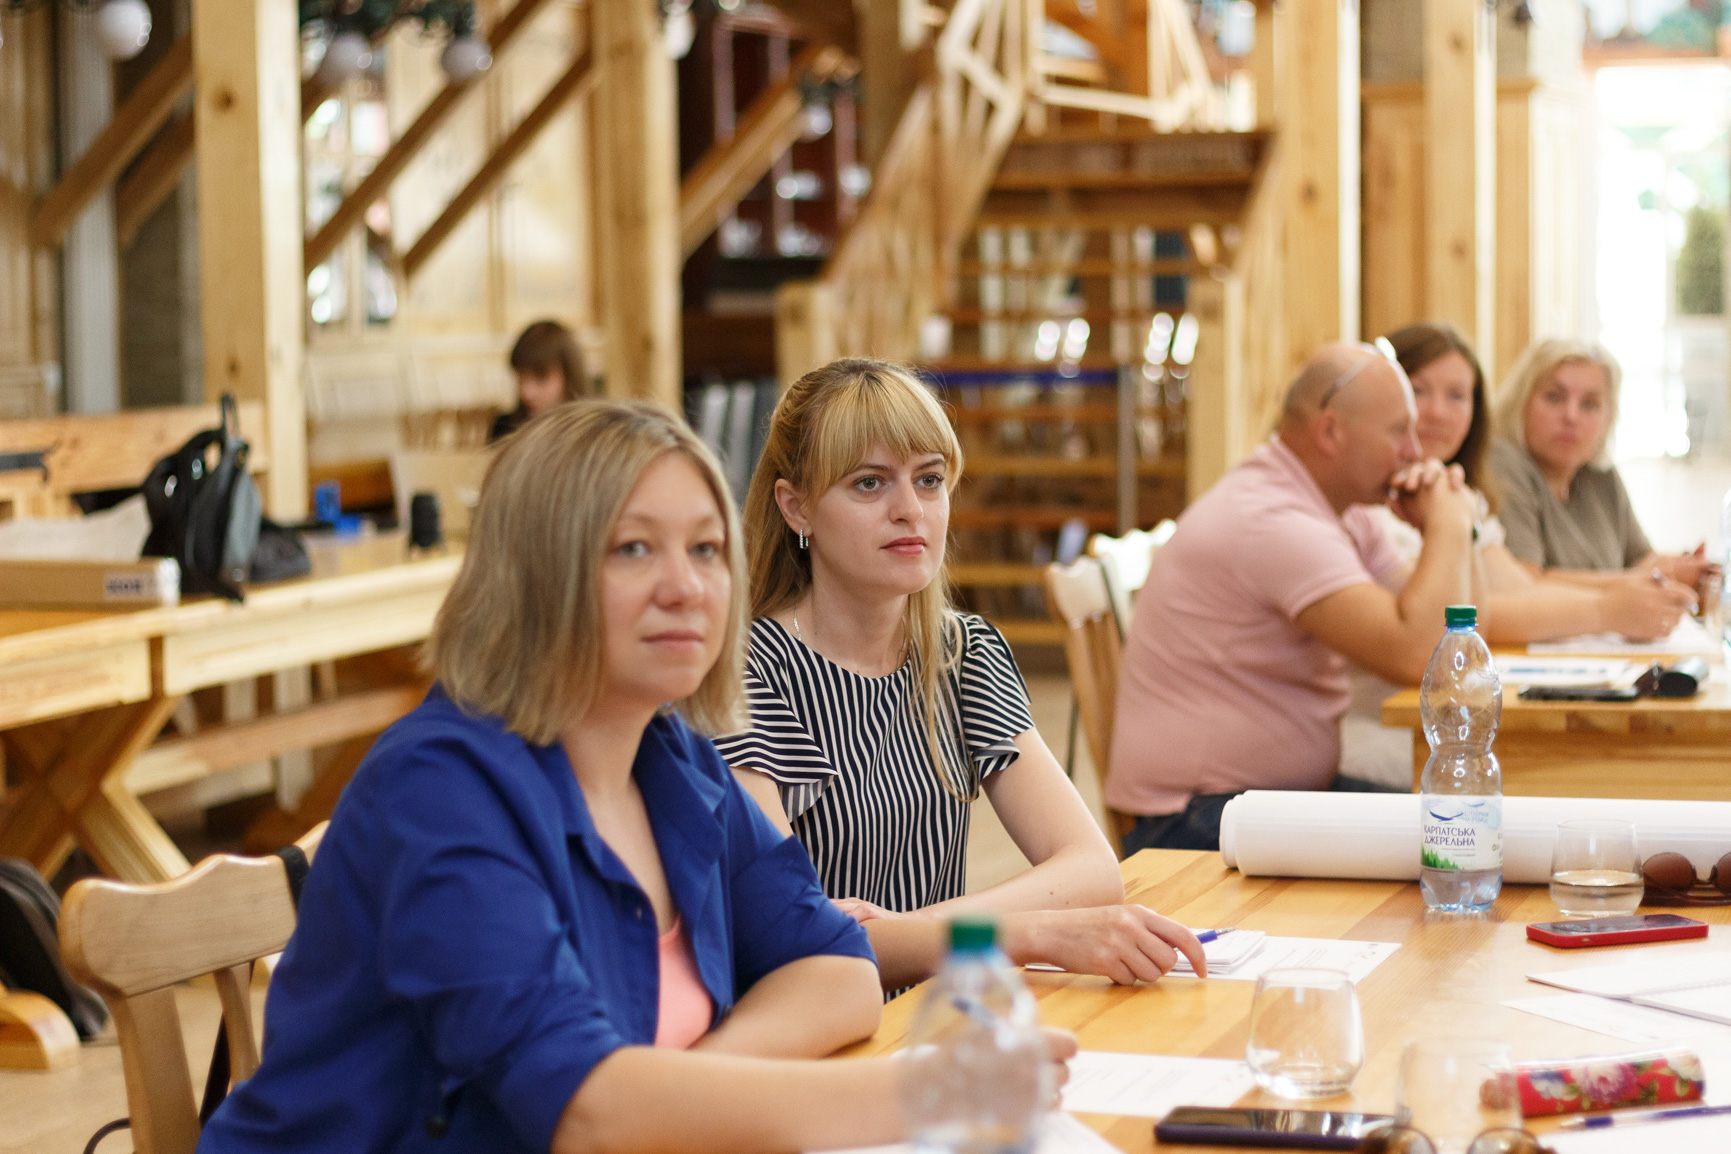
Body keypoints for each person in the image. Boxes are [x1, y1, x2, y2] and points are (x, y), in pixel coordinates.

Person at [198, 401, 1073, 1153]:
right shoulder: (437, 791)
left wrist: (677, 1093)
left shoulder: (670, 760)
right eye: (632, 550)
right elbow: (584, 1112)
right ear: (534, 573)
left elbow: (837, 969)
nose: (685, 587)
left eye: (706, 549)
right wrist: (923, 1093)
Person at [715, 358, 1207, 993]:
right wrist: (1029, 931)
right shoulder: (746, 674)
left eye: (929, 479)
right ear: (797, 507)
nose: (909, 510)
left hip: (936, 1010)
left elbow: (1092, 869)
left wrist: (912, 930)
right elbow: (799, 938)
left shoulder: (962, 651)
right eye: (869, 483)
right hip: (817, 1027)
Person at [1107, 341, 1481, 855]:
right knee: (1455, 843)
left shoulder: (1342, 508)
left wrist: (1453, 528)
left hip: (1256, 800)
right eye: (1399, 431)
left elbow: (1453, 635)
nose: (1416, 452)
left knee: (1467, 828)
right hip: (1193, 819)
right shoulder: (1273, 519)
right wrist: (1450, 523)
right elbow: (1418, 658)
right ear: (1330, 431)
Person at [1339, 324, 1698, 786]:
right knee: (1588, 775)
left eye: (1457, 396)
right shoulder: (1367, 505)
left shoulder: (1453, 491)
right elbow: (1459, 624)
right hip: (1386, 734)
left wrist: (1620, 601)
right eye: (1418, 390)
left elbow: (1517, 590)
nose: (1437, 412)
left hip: (1444, 730)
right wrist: (1608, 609)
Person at [1487, 339, 1712, 589]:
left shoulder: (1600, 472)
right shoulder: (1501, 462)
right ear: (1520, 402)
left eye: (1589, 404)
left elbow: (1642, 560)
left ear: (1608, 417)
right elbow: (1526, 583)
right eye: (1554, 398)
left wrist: (1689, 568)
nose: (1571, 416)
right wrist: (1652, 578)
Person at [489, 319, 588, 442]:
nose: (526, 393)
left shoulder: (592, 433)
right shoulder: (505, 427)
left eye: (540, 379)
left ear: (569, 375)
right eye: (521, 378)